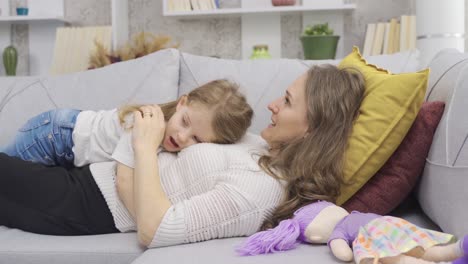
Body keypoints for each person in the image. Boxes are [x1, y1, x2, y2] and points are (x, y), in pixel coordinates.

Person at [0, 64, 365, 249]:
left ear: (312, 128)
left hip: (88, 203)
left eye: (286, 101)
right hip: (92, 175)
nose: (271, 103)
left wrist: (142, 145)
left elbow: (157, 230)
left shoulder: (262, 191)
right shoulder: (258, 147)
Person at [1, 79, 252, 168]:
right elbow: (125, 179)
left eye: (197, 139)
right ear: (182, 102)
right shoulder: (144, 125)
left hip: (68, 143)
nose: (183, 137)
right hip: (53, 135)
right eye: (185, 122)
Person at [237, 200, 468, 264]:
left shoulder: (340, 231)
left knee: (396, 258)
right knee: (420, 246)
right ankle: (456, 251)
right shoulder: (352, 216)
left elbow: (345, 254)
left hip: (373, 235)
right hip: (391, 224)